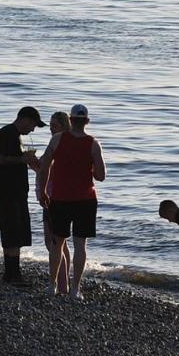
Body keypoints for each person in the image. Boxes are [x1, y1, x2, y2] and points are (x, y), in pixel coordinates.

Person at [37, 104, 106, 300]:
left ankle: (53, 286)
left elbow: (44, 168)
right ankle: (75, 289)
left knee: (57, 242)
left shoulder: (57, 140)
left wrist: (42, 192)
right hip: (85, 199)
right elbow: (101, 176)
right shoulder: (93, 144)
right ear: (87, 121)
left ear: (71, 119)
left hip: (60, 198)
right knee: (80, 245)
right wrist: (88, 169)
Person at [0, 106, 45, 285]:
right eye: (33, 125)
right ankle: (13, 275)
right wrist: (23, 159)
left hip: (12, 192)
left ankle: (9, 274)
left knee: (12, 233)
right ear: (25, 119)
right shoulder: (8, 134)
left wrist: (25, 159)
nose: (33, 129)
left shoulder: (13, 135)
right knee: (13, 232)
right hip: (8, 192)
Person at [36, 111, 72, 295]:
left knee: (53, 244)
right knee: (61, 243)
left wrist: (34, 163)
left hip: (52, 197)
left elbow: (45, 166)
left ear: (64, 126)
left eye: (55, 125)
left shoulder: (57, 144)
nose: (51, 128)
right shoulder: (68, 144)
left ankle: (60, 284)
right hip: (61, 196)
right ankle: (64, 284)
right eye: (50, 125)